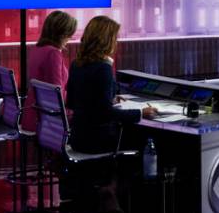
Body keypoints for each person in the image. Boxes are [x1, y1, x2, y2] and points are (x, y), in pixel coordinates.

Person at [66, 16, 157, 154]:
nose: (116, 43)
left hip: (78, 138)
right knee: (148, 139)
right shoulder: (103, 68)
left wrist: (108, 99)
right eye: (115, 38)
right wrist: (140, 113)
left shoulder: (76, 64)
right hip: (97, 141)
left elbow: (72, 102)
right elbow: (105, 112)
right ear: (106, 41)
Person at [20, 10, 78, 132]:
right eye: (69, 33)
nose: (70, 37)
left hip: (33, 115)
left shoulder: (37, 49)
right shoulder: (53, 53)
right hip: (47, 119)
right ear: (60, 33)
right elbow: (56, 94)